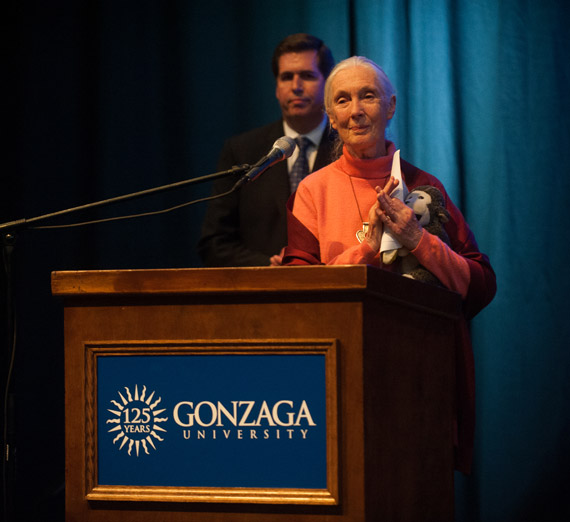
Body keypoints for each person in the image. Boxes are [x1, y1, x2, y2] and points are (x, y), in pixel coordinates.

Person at [284, 56, 497, 473]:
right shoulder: (312, 191)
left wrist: (417, 240)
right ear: (330, 116)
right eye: (342, 101)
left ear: (391, 106)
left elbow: (480, 285)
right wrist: (370, 245)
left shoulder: (424, 187)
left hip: (418, 376)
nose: (356, 110)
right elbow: (300, 298)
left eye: (368, 96)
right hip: (339, 379)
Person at [198, 33, 336, 267]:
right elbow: (214, 243)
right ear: (276, 88)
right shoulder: (243, 151)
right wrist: (266, 265)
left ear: (328, 84)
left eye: (307, 75)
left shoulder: (347, 149)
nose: (296, 86)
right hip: (261, 293)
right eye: (286, 77)